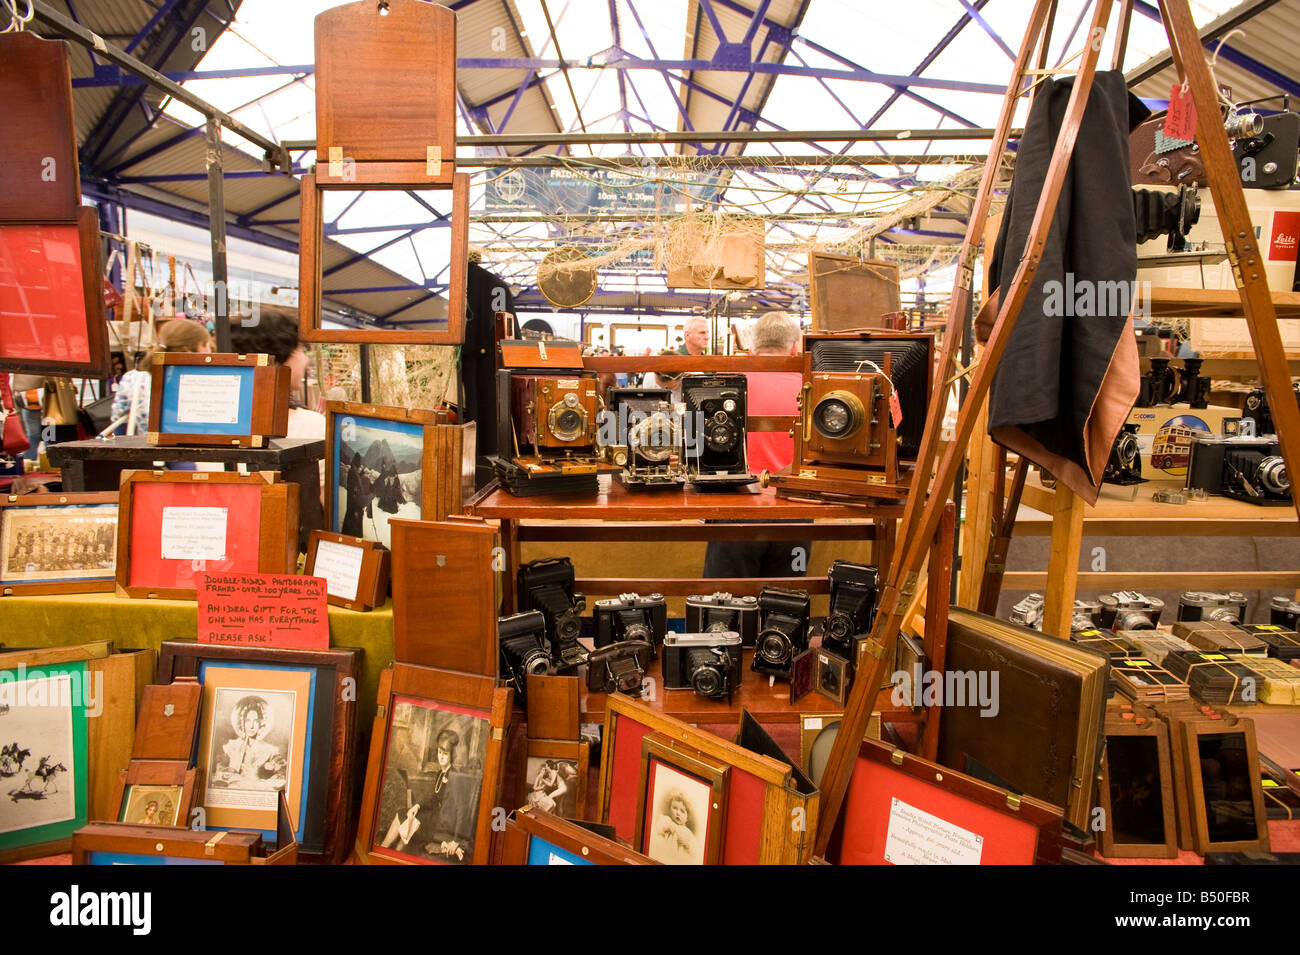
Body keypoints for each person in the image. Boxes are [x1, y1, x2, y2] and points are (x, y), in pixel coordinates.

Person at [703, 311, 811, 579]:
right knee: (786, 606)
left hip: (738, 509)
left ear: (752, 345)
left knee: (724, 605)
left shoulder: (729, 380)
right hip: (795, 513)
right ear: (796, 346)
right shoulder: (812, 387)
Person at [109, 319, 213, 435]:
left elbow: (119, 423)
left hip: (147, 448)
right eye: (208, 346)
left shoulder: (133, 378)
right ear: (199, 347)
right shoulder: (203, 382)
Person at [218, 695, 285, 790]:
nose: (251, 726)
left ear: (261, 724)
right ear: (242, 723)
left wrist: (270, 768)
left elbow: (281, 774)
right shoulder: (232, 746)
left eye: (256, 721)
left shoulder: (269, 750)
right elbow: (219, 770)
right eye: (248, 721)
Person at [651, 791, 698, 864]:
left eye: (682, 811)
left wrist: (688, 844)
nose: (678, 813)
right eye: (675, 808)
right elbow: (657, 829)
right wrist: (670, 828)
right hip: (662, 854)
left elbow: (694, 850)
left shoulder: (687, 833)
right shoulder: (666, 820)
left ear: (687, 818)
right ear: (669, 809)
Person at [341, 450, 371, 537]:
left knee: (350, 521)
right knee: (353, 525)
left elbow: (356, 479)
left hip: (352, 503)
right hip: (355, 505)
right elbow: (355, 485)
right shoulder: (353, 472)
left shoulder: (352, 470)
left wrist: (361, 473)